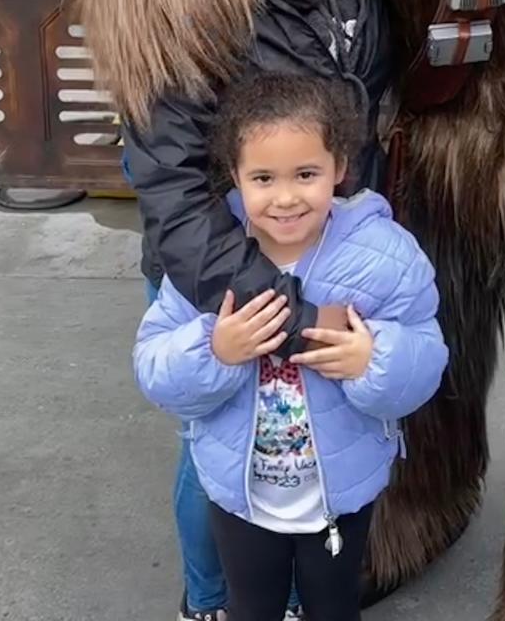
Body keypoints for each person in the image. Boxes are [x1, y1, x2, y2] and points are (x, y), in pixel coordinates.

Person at [68, 0, 393, 621]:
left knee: (314, 435)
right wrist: (272, 303)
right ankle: (211, 600)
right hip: (219, 261)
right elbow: (168, 178)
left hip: (323, 249)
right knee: (220, 440)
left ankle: (294, 590)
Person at [134, 72, 447, 621]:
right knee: (252, 606)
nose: (285, 198)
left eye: (306, 174)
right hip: (240, 495)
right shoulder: (209, 262)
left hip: (342, 493)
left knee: (333, 604)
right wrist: (215, 349)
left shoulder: (384, 255)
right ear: (234, 177)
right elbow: (155, 366)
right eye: (262, 177)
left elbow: (426, 352)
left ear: (340, 170)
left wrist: (375, 360)